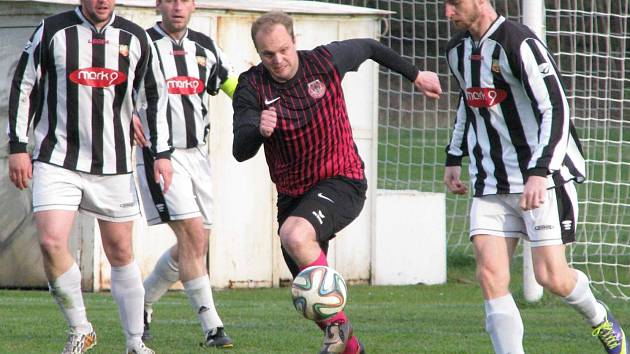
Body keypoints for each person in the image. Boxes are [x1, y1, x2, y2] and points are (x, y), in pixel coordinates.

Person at [232, 11, 442, 354]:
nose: (278, 59)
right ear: (258, 53)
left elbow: (371, 47)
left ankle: (336, 332)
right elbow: (240, 150)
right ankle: (350, 346)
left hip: (341, 179)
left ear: (294, 41)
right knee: (313, 297)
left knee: (295, 235)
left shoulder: (325, 61)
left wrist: (415, 75)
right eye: (268, 54)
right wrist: (257, 129)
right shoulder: (252, 86)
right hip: (292, 197)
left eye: (283, 50)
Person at [442, 1, 627, 354]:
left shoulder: (519, 43)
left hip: (542, 180)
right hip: (490, 183)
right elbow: (468, 102)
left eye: (455, 3)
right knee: (490, 275)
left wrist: (540, 172)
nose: (448, 12)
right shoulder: (457, 50)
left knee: (552, 278)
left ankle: (601, 319)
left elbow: (555, 107)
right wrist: (454, 155)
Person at [7, 0, 172, 353]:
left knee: (120, 250)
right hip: (57, 158)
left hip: (113, 165)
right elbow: (22, 84)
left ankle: (134, 342)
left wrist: (161, 154)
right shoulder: (52, 30)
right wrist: (18, 146)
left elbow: (155, 96)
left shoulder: (135, 37)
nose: (102, 1)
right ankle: (81, 328)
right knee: (51, 241)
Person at [132, 0, 236, 349]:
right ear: (158, 4)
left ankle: (142, 301)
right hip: (160, 155)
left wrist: (262, 107)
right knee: (192, 236)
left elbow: (232, 85)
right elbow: (114, 92)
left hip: (199, 155)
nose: (177, 6)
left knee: (196, 241)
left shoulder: (205, 47)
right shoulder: (141, 44)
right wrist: (126, 116)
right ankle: (212, 326)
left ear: (194, 4)